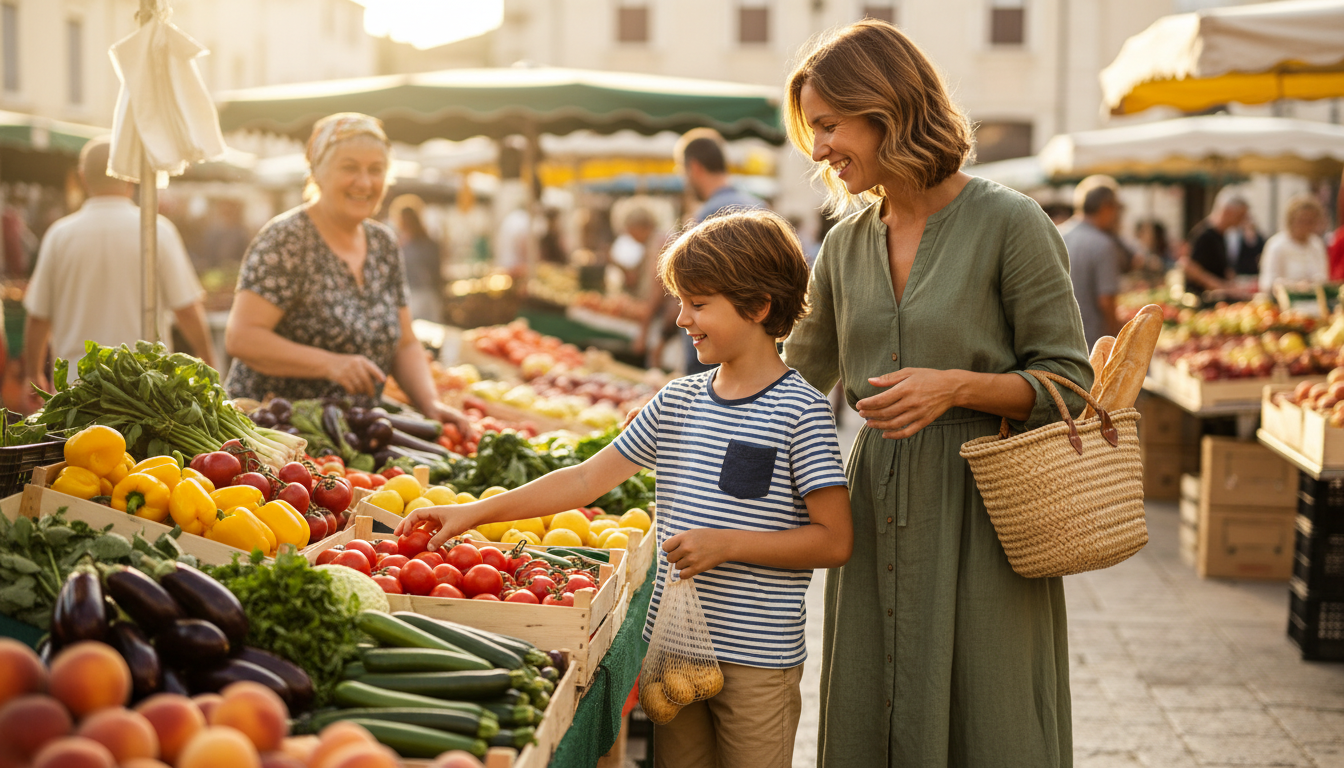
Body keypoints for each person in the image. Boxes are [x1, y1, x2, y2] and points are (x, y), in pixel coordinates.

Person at [398, 209, 852, 768]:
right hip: (674, 646)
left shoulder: (800, 410)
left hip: (757, 662)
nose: (682, 318)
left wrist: (727, 544)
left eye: (699, 303)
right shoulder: (678, 401)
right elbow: (587, 478)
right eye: (681, 302)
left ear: (758, 307)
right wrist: (475, 513)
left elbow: (834, 540)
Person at [781, 20, 1090, 766]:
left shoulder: (1010, 223)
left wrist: (956, 387)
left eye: (828, 125)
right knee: (869, 701)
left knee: (990, 714)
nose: (818, 149)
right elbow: (794, 379)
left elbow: (1072, 386)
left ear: (886, 110)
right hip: (874, 502)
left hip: (983, 511)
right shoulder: (845, 245)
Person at [223, 113, 471, 434]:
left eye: (376, 170)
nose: (364, 182)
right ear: (318, 173)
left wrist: (429, 403)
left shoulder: (384, 244)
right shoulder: (287, 239)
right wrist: (331, 364)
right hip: (273, 433)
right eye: (350, 168)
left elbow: (406, 344)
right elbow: (242, 337)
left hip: (351, 435)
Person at [22, 136, 217, 396]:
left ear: (82, 177)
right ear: (131, 176)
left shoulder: (59, 235)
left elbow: (38, 316)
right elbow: (187, 310)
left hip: (76, 388)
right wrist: (209, 361)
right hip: (146, 387)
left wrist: (33, 375)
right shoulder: (157, 231)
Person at [674, 128, 764, 375]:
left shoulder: (707, 216)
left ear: (694, 167)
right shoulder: (759, 206)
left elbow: (694, 288)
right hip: (755, 349)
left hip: (713, 352)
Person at [1060, 176, 1123, 347]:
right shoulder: (1103, 244)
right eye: (1116, 208)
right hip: (1091, 342)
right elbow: (1106, 301)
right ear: (1106, 207)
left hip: (1057, 339)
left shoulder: (1056, 234)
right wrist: (1116, 337)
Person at [389, 195, 445, 324]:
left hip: (411, 297)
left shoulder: (401, 245)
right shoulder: (430, 243)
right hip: (428, 296)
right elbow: (438, 273)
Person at [1259, 194, 1328, 293]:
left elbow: (1323, 277)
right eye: (1302, 221)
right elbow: (1267, 282)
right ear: (1291, 220)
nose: (1306, 226)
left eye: (1310, 222)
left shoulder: (1317, 244)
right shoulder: (1276, 245)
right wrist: (1294, 286)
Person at [1183, 192, 1249, 293]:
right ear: (1228, 211)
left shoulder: (1222, 235)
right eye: (1240, 215)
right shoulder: (1204, 234)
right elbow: (1188, 266)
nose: (1242, 220)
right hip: (1200, 298)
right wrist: (1219, 286)